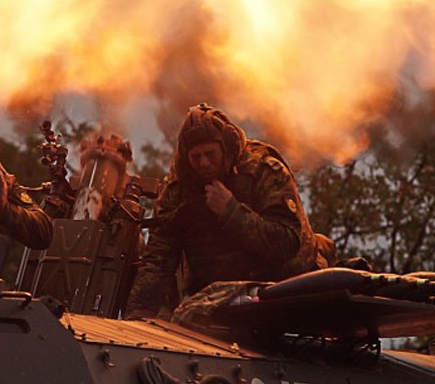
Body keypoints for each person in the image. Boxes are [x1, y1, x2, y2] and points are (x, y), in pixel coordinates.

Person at [125, 104, 327, 319]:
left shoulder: (263, 170)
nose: (204, 163)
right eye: (196, 157)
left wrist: (232, 212)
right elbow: (158, 257)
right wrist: (138, 313)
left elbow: (286, 242)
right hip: (216, 301)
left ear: (227, 148)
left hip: (283, 290)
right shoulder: (179, 189)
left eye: (210, 154)